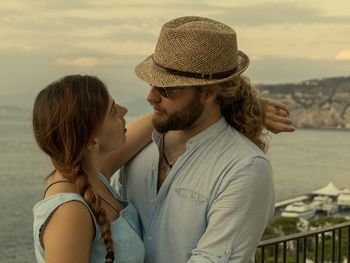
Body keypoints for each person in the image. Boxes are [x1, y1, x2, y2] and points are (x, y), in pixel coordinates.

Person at [111, 16, 293, 263]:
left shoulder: (244, 167)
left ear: (208, 93)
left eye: (166, 90)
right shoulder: (136, 150)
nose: (150, 97)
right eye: (152, 84)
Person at [32, 75, 154, 263]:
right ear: (92, 142)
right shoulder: (70, 213)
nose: (124, 111)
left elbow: (155, 121)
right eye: (113, 112)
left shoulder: (93, 174)